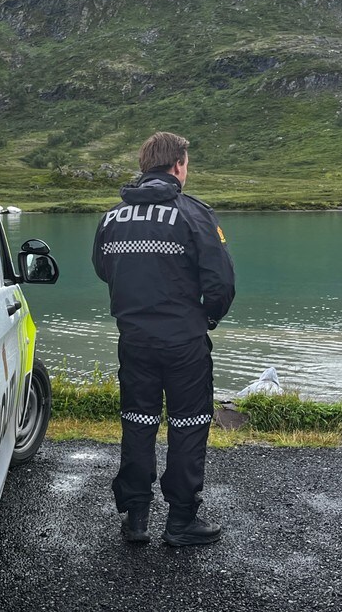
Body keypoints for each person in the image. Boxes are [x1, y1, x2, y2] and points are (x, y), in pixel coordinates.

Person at [91, 131, 236, 547]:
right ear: (177, 166)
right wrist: (206, 316)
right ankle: (180, 522)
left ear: (144, 166)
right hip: (184, 342)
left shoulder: (111, 218)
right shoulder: (195, 215)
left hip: (133, 340)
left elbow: (104, 269)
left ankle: (136, 519)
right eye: (187, 164)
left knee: (137, 423)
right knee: (188, 425)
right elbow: (221, 283)